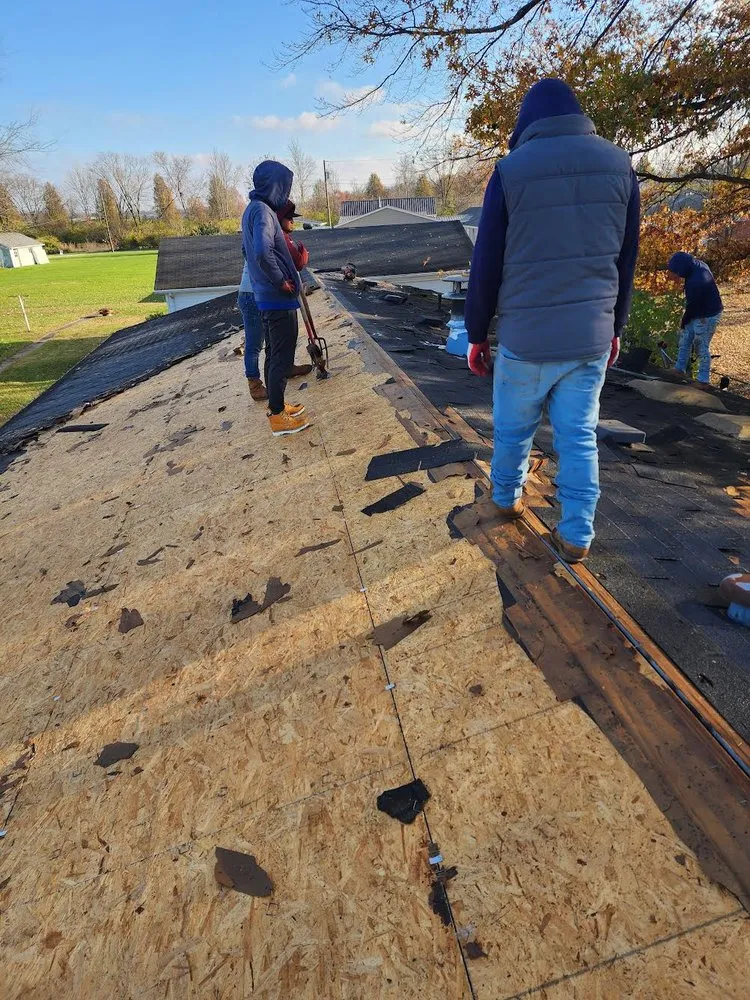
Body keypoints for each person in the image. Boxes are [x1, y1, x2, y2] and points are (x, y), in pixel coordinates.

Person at [465, 78, 640, 563]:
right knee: (579, 436)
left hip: (526, 339)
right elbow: (627, 259)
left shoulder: (510, 171)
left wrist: (476, 334)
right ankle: (577, 533)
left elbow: (486, 264)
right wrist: (616, 326)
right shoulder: (621, 166)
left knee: (513, 428)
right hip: (590, 339)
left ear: (528, 123)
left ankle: (505, 499)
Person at [242, 160, 309, 437]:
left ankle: (276, 405)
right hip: (276, 297)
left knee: (274, 353)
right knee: (282, 356)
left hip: (266, 296)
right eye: (285, 186)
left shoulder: (253, 210)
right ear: (276, 185)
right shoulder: (263, 212)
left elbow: (250, 252)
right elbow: (260, 251)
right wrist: (281, 281)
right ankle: (279, 417)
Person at [667, 252, 723, 386]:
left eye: (677, 272)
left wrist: (684, 321)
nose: (677, 275)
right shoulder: (697, 265)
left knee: (701, 346)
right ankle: (679, 368)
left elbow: (693, 307)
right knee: (685, 339)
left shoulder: (697, 281)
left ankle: (703, 380)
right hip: (698, 310)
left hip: (708, 315)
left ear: (682, 268)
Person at [277, 199, 313, 378]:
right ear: (280, 219)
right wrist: (303, 249)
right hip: (282, 296)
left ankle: (287, 367)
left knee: (284, 338)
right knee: (285, 337)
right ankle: (284, 374)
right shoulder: (282, 238)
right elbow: (299, 262)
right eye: (289, 218)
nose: (292, 221)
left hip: (285, 294)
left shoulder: (282, 236)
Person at [238, 248, 267, 401]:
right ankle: (254, 386)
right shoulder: (256, 235)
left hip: (257, 293)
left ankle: (284, 369)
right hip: (251, 295)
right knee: (254, 345)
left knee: (274, 337)